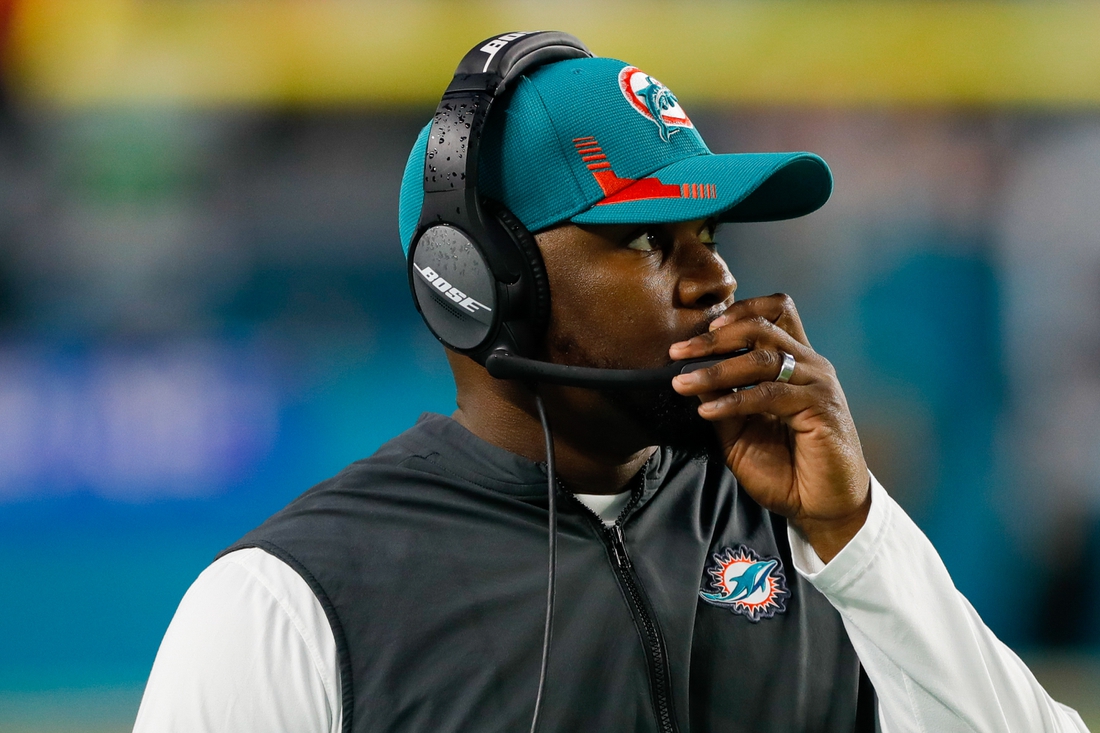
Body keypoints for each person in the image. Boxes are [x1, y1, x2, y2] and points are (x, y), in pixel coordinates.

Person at [133, 34, 1089, 733]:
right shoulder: (289, 600)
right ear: (478, 282)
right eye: (644, 239)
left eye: (707, 236)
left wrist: (858, 533)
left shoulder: (816, 540)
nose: (712, 279)